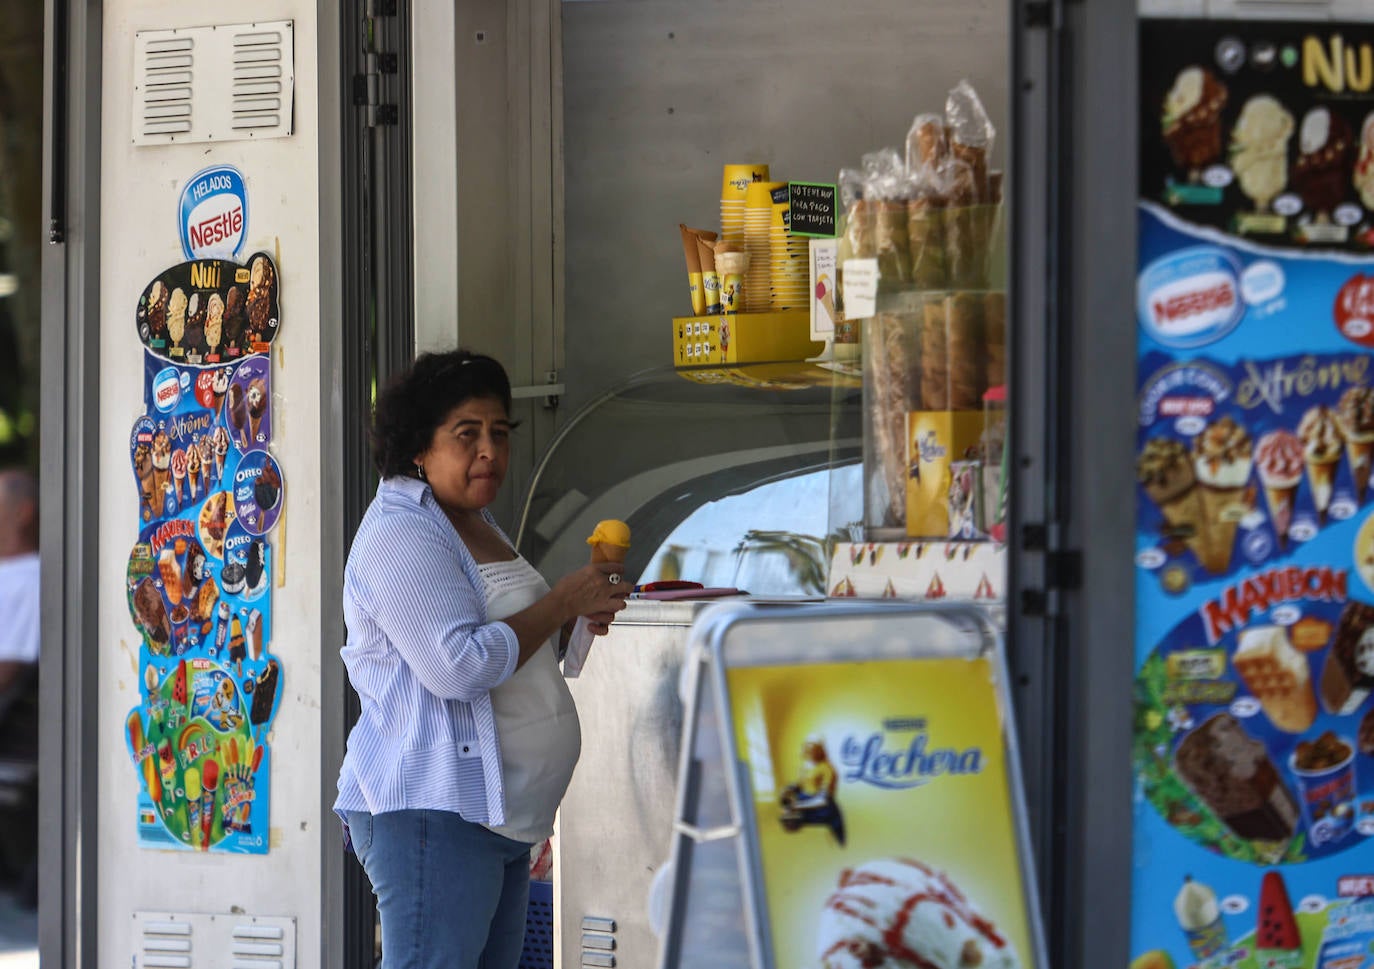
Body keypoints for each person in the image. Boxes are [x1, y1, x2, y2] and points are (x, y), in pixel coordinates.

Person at [334, 350, 630, 969]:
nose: (489, 450)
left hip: (499, 817)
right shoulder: (401, 532)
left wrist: (573, 614)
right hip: (434, 812)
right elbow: (458, 667)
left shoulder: (473, 520)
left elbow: (513, 647)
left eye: (499, 432)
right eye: (466, 434)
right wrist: (558, 602)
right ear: (419, 446)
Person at [778, 735, 846, 845]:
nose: (809, 750)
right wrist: (789, 789)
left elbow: (823, 800)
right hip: (805, 806)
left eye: (813, 747)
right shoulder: (804, 766)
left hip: (823, 811)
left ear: (820, 750)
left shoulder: (827, 769)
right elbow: (801, 784)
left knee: (831, 843)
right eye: (807, 747)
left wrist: (796, 806)